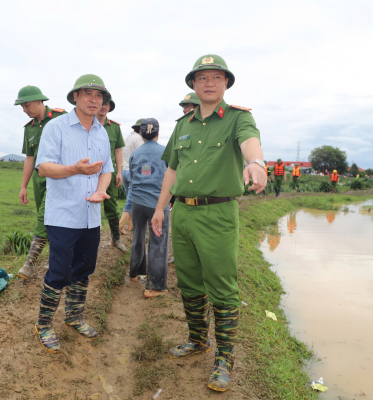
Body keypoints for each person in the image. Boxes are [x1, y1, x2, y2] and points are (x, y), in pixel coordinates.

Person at [151, 54, 266, 392]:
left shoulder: (237, 118)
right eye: (203, 78)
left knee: (221, 286)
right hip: (182, 213)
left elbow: (249, 143)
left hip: (217, 214)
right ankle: (198, 339)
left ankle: (224, 358)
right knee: (188, 282)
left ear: (226, 83)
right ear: (193, 85)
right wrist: (160, 209)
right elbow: (172, 170)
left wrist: (256, 162)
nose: (210, 83)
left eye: (217, 77)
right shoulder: (182, 126)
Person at [33, 74, 114, 353]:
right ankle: (43, 324)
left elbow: (107, 170)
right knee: (59, 270)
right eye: (88, 94)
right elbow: (43, 168)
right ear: (75, 97)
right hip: (63, 214)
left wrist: (101, 191)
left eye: (99, 96)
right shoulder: (56, 128)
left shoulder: (102, 132)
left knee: (84, 268)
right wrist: (75, 169)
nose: (94, 100)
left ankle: (74, 316)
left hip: (91, 214)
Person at [14, 86, 66, 279]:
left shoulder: (61, 118)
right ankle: (58, 258)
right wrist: (23, 186)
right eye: (22, 106)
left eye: (26, 105)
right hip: (39, 179)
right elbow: (29, 158)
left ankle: (30, 262)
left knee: (44, 217)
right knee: (49, 220)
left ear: (38, 101)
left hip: (59, 177)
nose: (24, 110)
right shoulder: (30, 129)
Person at [128, 118, 170, 298]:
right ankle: (154, 286)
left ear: (141, 134)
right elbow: (172, 177)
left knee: (138, 236)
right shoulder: (166, 152)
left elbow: (131, 175)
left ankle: (135, 273)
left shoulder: (135, 154)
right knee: (159, 242)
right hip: (158, 204)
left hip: (137, 202)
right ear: (158, 134)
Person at [96, 99, 127, 252]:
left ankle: (116, 238)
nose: (103, 106)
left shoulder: (114, 127)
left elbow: (118, 150)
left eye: (106, 104)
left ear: (109, 107)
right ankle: (89, 241)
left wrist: (119, 171)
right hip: (88, 171)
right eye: (102, 103)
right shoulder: (87, 123)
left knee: (111, 205)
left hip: (109, 172)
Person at [119, 118, 145, 234]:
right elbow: (142, 155)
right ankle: (119, 226)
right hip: (133, 172)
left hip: (124, 171)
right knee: (131, 201)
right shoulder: (138, 139)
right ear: (140, 129)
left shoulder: (127, 137)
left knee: (129, 199)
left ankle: (131, 225)